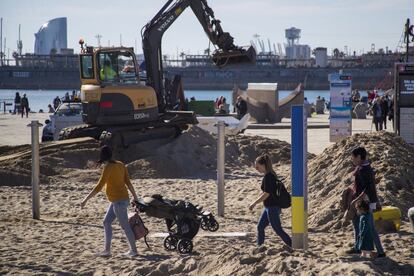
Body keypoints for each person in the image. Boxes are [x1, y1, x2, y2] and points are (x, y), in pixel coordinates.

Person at [80, 146, 139, 257]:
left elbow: (99, 187)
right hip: (118, 200)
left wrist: (85, 200)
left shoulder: (108, 167)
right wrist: (135, 197)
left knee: (125, 226)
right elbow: (128, 183)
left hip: (119, 201)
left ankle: (134, 251)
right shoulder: (121, 164)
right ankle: (107, 251)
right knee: (106, 222)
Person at [346, 147, 385, 258]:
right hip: (363, 201)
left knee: (370, 227)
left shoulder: (364, 170)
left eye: (353, 157)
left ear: (359, 157)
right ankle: (358, 247)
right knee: (357, 224)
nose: (352, 159)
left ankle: (380, 251)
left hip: (366, 202)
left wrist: (357, 199)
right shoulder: (363, 167)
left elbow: (368, 187)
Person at [249, 154, 292, 247]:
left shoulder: (269, 176)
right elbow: (265, 192)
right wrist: (256, 201)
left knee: (277, 229)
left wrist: (254, 203)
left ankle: (292, 244)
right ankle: (259, 247)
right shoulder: (270, 175)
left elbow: (266, 194)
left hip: (272, 207)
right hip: (269, 207)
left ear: (264, 165)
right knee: (260, 227)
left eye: (257, 166)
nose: (256, 169)